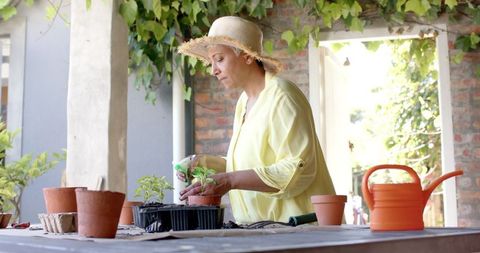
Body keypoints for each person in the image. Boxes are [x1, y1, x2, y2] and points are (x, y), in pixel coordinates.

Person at [177, 16, 335, 224]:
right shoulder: (244, 102)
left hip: (301, 232)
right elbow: (251, 164)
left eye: (220, 59)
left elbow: (298, 170)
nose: (213, 70)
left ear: (247, 56)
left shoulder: (282, 96)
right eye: (211, 61)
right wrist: (202, 163)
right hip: (264, 232)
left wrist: (229, 180)